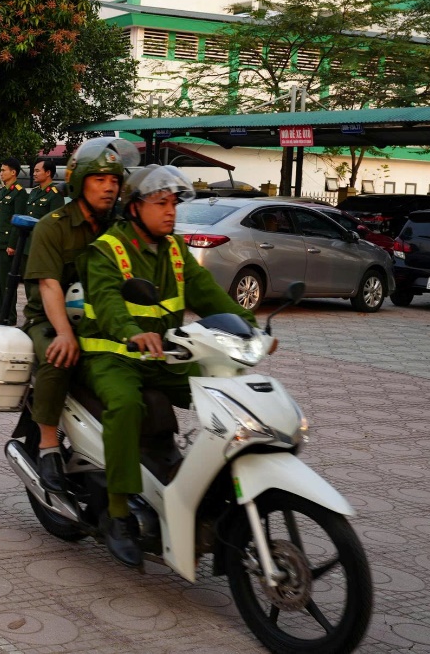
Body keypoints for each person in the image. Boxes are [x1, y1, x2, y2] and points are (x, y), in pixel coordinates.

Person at [79, 163, 259, 567]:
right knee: (126, 405)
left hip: (165, 358)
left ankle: (214, 491)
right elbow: (107, 301)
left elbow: (208, 294)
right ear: (134, 208)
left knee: (227, 392)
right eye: (160, 203)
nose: (170, 211)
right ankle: (119, 513)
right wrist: (130, 331)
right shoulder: (107, 249)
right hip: (113, 356)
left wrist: (251, 328)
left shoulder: (176, 250)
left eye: (174, 203)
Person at [22, 138, 140, 497]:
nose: (108, 187)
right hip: (49, 318)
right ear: (79, 182)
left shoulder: (120, 228)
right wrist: (63, 333)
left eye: (114, 181)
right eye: (99, 179)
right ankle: (47, 449)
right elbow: (49, 285)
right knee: (59, 358)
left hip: (101, 319)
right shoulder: (52, 225)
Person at [0, 157, 27, 325]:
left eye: (4, 170)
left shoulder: (19, 192)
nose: (1, 173)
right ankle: (0, 311)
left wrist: (12, 244)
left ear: (13, 172)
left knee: (6, 281)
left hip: (7, 244)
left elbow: (17, 221)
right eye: (1, 170)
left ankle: (9, 315)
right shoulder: (3, 191)